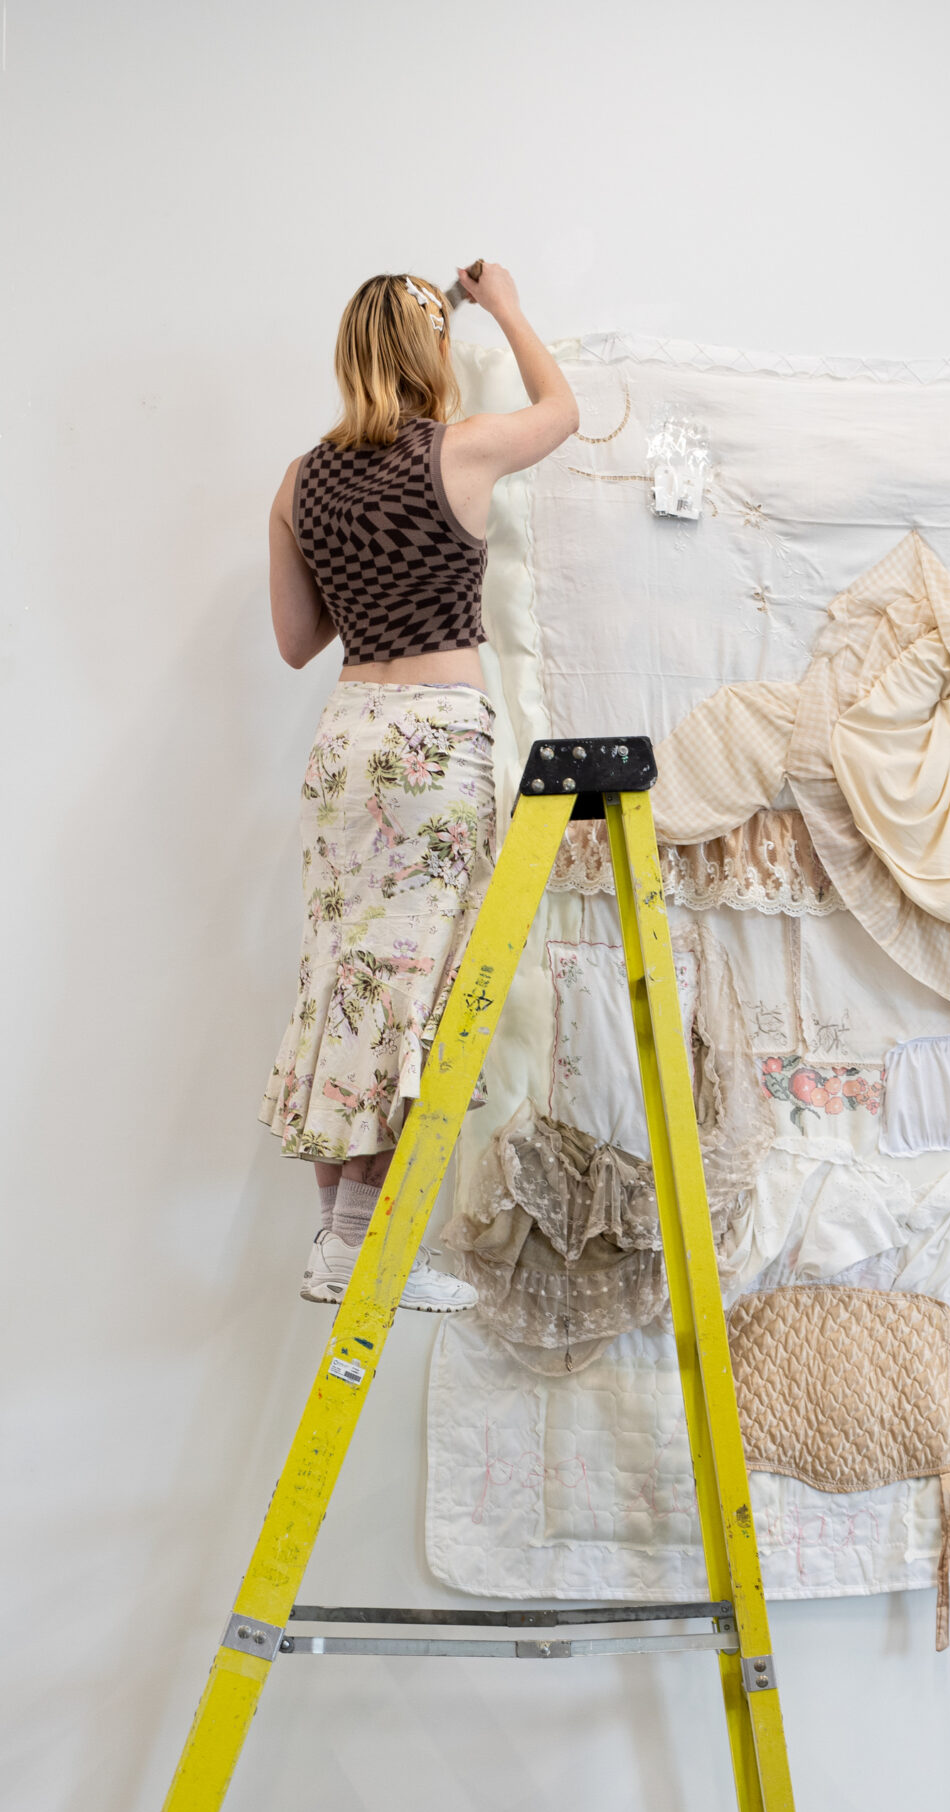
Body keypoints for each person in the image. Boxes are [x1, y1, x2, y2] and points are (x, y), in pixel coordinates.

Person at [264, 264, 578, 1307]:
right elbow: (563, 411)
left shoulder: (299, 482)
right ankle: (366, 1249)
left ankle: (334, 1239)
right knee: (420, 987)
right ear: (428, 352)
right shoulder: (462, 448)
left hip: (348, 746)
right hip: (435, 746)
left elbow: (296, 641)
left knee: (342, 976)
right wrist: (511, 308)